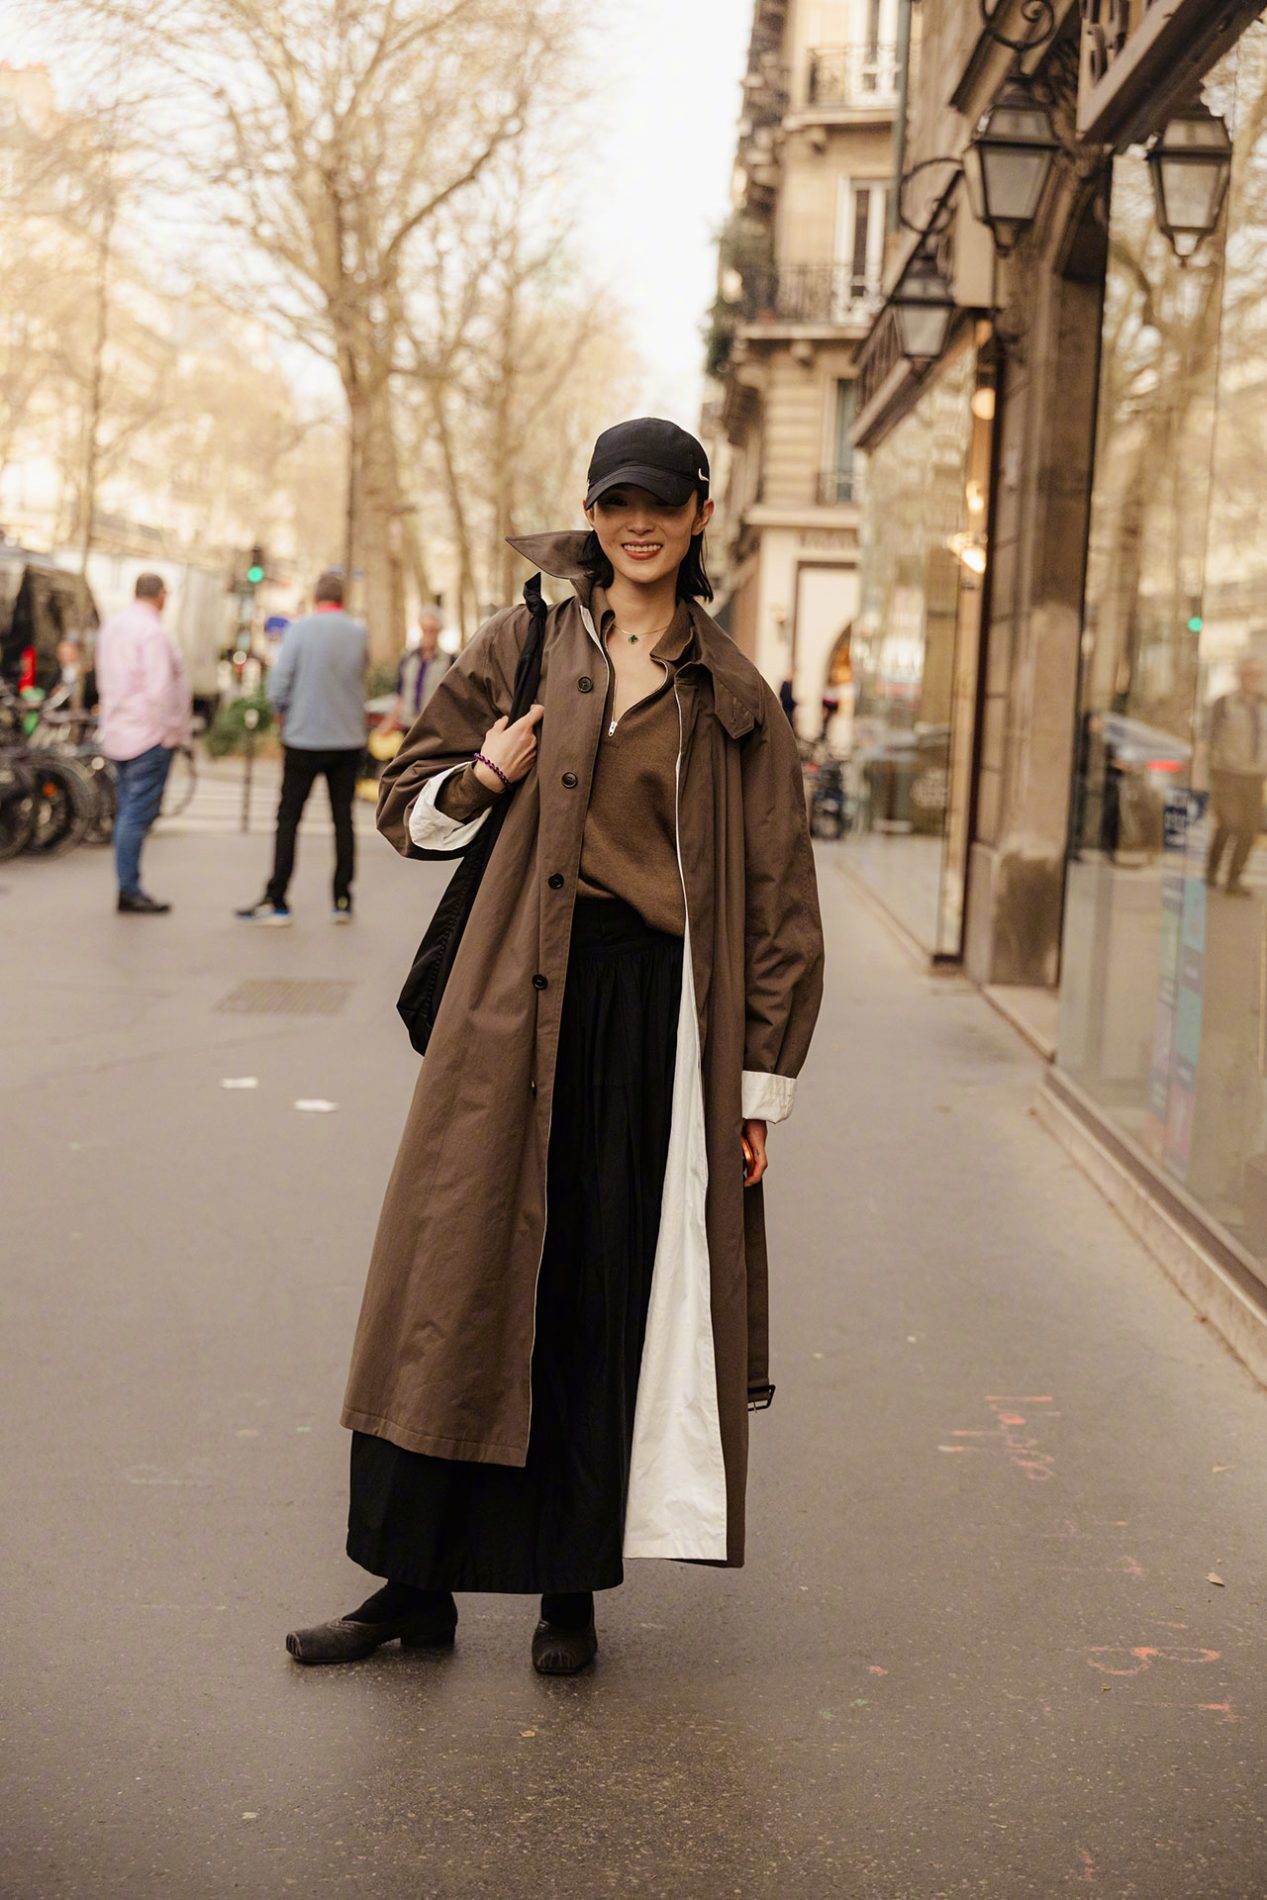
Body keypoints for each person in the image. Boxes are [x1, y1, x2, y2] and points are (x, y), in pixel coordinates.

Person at [285, 417, 824, 1676]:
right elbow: (405, 810)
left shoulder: (733, 694)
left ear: (699, 516)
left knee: (593, 1287)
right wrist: (481, 771)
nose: (638, 524)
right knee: (451, 1280)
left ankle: (567, 1592)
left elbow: (780, 901)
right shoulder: (522, 643)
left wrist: (755, 1087)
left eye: (662, 504)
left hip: (646, 1020)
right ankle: (410, 1585)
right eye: (616, 502)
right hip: (504, 1000)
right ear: (591, 514)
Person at [236, 569, 368, 926]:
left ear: (315, 598)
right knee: (343, 819)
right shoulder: (358, 633)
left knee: (289, 818)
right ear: (343, 599)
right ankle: (342, 899)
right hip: (347, 739)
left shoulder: (299, 630)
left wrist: (281, 715)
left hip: (304, 737)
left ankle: (278, 899)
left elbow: (279, 684)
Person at [95, 572, 190, 916]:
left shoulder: (113, 626)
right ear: (161, 595)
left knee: (128, 810)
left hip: (119, 730)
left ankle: (128, 885)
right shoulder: (153, 632)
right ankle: (129, 888)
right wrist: (174, 732)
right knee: (136, 815)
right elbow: (160, 689)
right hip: (148, 735)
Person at [1206, 655, 1267, 897]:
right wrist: (1204, 775)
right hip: (1227, 775)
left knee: (1249, 830)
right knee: (1230, 824)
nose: (1252, 679)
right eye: (1248, 674)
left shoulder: (1264, 705)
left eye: (1257, 674)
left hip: (1255, 776)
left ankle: (1234, 879)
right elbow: (1207, 740)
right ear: (1240, 676)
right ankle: (1211, 870)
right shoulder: (1224, 704)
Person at [388, 611, 451, 730]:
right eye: (424, 629)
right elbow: (400, 693)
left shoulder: (449, 661)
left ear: (439, 631)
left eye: (432, 630)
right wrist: (390, 721)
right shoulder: (408, 658)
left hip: (434, 728)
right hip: (407, 725)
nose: (428, 634)